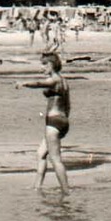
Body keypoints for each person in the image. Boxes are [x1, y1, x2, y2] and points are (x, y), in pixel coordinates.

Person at [17, 52, 70, 194]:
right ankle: (37, 187)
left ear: (52, 65)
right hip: (61, 121)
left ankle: (66, 192)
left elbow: (40, 83)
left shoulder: (55, 79)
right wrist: (64, 123)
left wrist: (24, 83)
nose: (42, 68)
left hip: (54, 122)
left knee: (55, 159)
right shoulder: (64, 81)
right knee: (41, 154)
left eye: (44, 64)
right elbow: (68, 104)